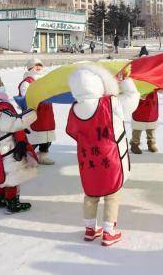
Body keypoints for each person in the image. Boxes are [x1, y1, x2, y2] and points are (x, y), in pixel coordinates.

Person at [66, 64, 139, 246]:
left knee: (91, 194)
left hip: (88, 160)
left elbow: (73, 132)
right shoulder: (110, 103)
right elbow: (132, 98)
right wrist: (126, 81)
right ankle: (108, 231)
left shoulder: (74, 109)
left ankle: (90, 230)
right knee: (112, 194)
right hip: (110, 158)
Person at [0, 75, 39, 214]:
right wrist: (32, 113)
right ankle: (12, 202)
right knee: (12, 176)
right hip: (7, 147)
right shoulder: (0, 110)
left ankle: (0, 198)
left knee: (2, 174)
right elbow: (13, 123)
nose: (2, 86)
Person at [18, 58, 56, 165]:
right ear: (30, 67)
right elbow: (26, 97)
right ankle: (27, 158)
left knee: (47, 137)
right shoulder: (27, 82)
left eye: (40, 65)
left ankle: (42, 156)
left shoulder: (44, 80)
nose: (39, 68)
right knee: (33, 137)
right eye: (36, 65)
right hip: (34, 114)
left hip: (47, 113)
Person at [130, 89, 163, 154]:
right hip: (140, 103)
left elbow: (159, 87)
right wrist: (139, 94)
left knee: (151, 125)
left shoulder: (154, 79)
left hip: (152, 104)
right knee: (138, 126)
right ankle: (134, 144)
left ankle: (151, 143)